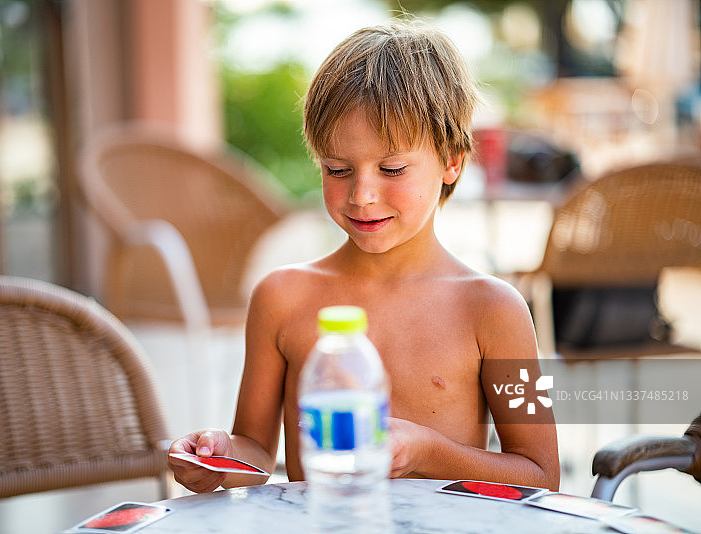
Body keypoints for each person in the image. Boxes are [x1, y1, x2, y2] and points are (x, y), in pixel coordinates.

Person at [168, 19, 560, 493]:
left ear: (452, 160)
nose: (362, 195)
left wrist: (426, 450)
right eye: (337, 169)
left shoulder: (495, 310)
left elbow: (541, 475)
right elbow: (254, 448)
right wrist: (217, 457)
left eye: (391, 168)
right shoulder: (282, 298)